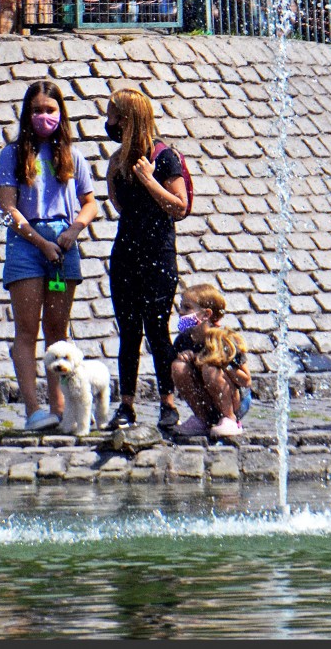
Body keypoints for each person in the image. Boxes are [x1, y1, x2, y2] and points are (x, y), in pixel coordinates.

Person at [0, 80, 99, 431]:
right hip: (27, 244)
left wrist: (73, 231)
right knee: (27, 330)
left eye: (49, 110)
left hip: (64, 243)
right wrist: (40, 242)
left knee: (58, 329)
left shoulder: (72, 155)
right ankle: (33, 409)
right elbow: (7, 206)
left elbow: (90, 202)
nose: (43, 116)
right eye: (37, 110)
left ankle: (61, 409)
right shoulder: (12, 154)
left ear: (60, 114)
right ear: (28, 114)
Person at [104, 87, 188, 432]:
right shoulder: (116, 160)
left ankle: (168, 404)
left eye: (112, 116)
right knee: (128, 331)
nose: (107, 123)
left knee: (157, 330)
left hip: (158, 254)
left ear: (127, 119)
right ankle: (126, 405)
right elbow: (119, 205)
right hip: (126, 252)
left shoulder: (165, 157)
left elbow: (179, 207)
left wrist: (148, 180)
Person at [171, 283, 252, 438]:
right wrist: (187, 360)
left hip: (236, 401)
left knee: (210, 368)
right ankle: (202, 419)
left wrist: (222, 363)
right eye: (180, 307)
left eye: (187, 308)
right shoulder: (184, 340)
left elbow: (246, 381)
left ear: (206, 314)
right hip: (207, 401)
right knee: (178, 366)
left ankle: (230, 419)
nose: (180, 313)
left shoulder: (224, 340)